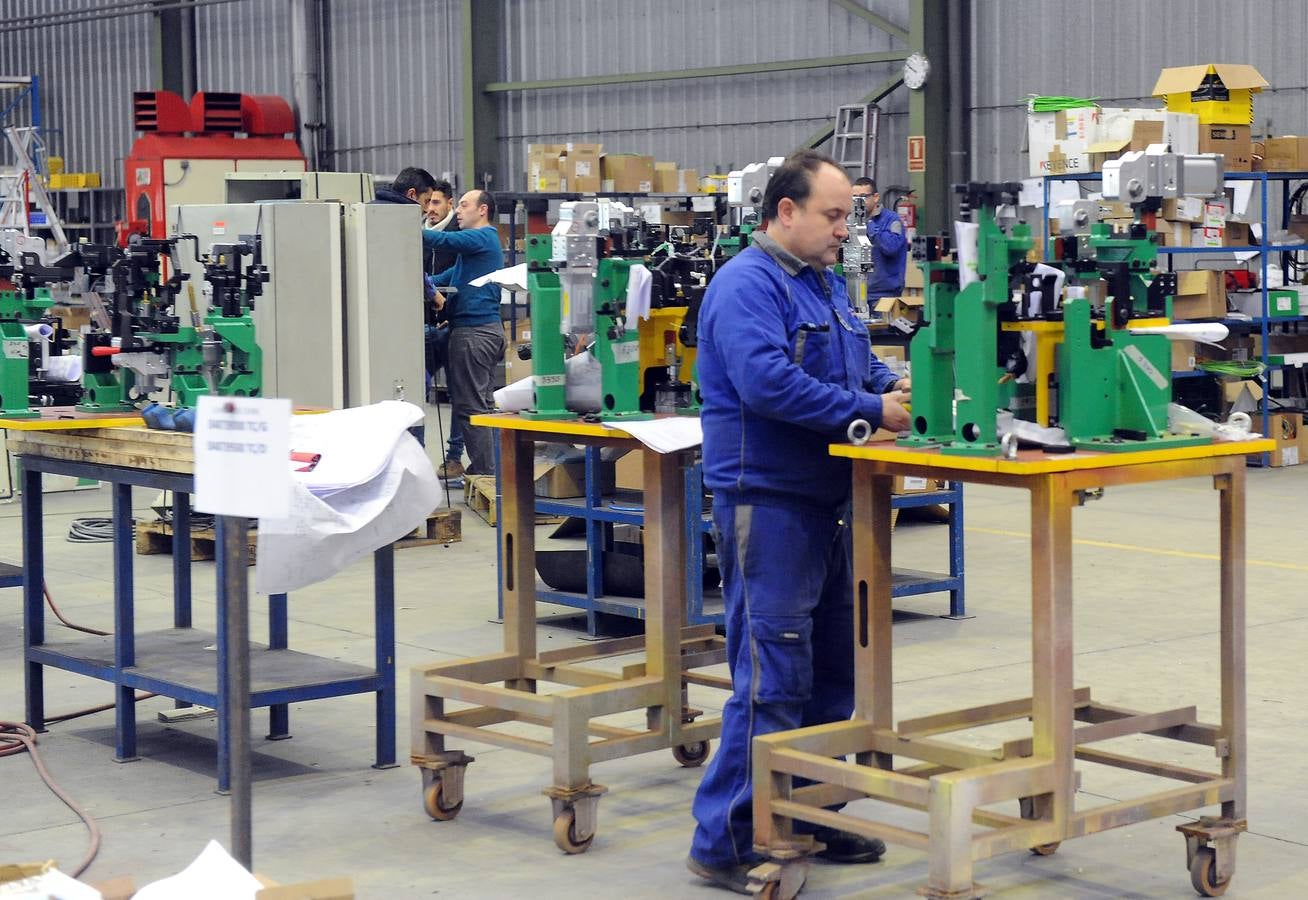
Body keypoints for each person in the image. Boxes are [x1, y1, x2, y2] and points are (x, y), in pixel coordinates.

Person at [687, 150, 910, 894]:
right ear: (787, 212)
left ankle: (807, 809)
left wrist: (896, 385)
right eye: (834, 215)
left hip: (827, 498)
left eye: (848, 216)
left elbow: (851, 368)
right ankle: (728, 838)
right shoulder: (746, 286)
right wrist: (873, 411)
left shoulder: (820, 283)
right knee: (772, 677)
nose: (845, 231)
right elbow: (767, 382)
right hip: (768, 498)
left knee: (828, 675)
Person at [423, 190, 505, 478]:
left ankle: (487, 473)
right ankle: (489, 469)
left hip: (475, 333)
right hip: (481, 332)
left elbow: (440, 239)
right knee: (479, 404)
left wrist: (403, 221)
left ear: (482, 210)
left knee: (471, 407)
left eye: (463, 205)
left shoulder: (482, 237)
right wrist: (423, 280)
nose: (457, 210)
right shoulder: (474, 249)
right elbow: (450, 278)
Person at [422, 179, 465, 472]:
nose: (431, 209)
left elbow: (458, 273)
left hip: (452, 323)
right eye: (428, 203)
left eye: (436, 203)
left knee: (459, 392)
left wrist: (430, 286)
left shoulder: (458, 235)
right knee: (416, 385)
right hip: (426, 326)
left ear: (450, 203)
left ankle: (454, 456)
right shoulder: (419, 231)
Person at [851, 176, 909, 301]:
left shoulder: (892, 220)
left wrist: (870, 226)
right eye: (855, 198)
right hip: (857, 294)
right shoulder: (852, 221)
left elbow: (891, 248)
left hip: (884, 295)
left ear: (876, 197)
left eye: (863, 197)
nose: (858, 202)